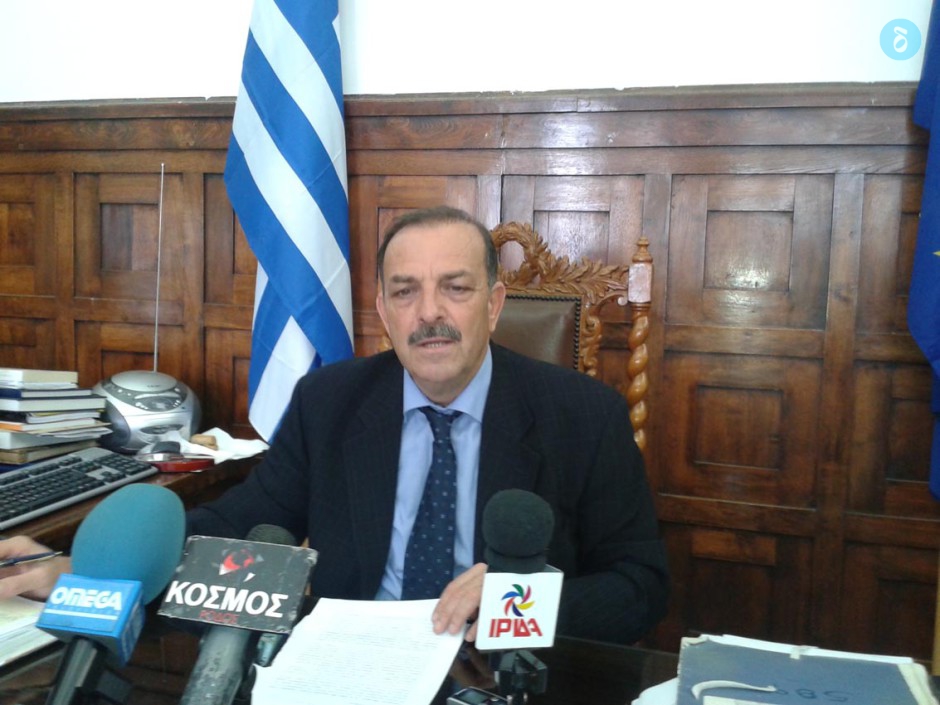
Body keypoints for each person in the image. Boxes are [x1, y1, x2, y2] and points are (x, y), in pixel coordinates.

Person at [0, 206, 669, 645]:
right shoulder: (329, 401)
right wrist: (91, 570)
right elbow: (238, 524)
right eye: (405, 291)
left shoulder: (584, 415)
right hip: (346, 669)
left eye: (456, 287)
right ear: (383, 311)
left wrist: (518, 602)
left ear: (494, 305)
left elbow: (639, 587)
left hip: (499, 673)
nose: (429, 313)